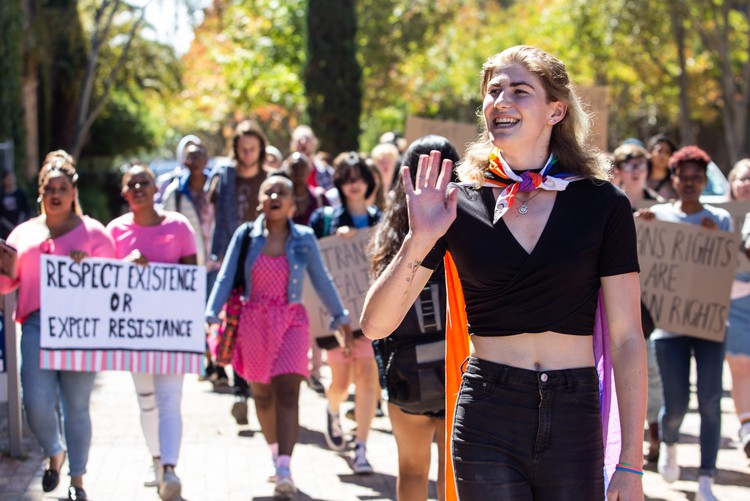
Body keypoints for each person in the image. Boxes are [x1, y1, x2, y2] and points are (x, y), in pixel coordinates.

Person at [360, 45, 646, 501]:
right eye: (493, 91)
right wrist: (420, 238)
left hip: (575, 413)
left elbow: (629, 336)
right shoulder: (458, 203)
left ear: (556, 111)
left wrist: (631, 463)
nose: (502, 101)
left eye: (519, 90)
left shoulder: (603, 203)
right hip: (488, 409)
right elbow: (375, 324)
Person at [205, 175, 351, 499]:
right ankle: (274, 454)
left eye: (281, 192)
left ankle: (285, 467)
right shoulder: (245, 236)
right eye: (268, 191)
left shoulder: (304, 238)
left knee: (287, 393)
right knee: (262, 396)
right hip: (252, 322)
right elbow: (226, 275)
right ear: (260, 200)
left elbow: (322, 279)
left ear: (292, 204)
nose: (274, 196)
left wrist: (340, 317)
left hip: (292, 322)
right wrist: (210, 315)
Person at [0, 153, 116, 501]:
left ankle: (77, 480)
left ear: (73, 192)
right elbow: (8, 286)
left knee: (77, 407)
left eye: (62, 188)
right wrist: (4, 270)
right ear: (40, 193)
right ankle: (55, 451)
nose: (55, 194)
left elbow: (114, 284)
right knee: (35, 402)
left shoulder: (94, 233)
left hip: (82, 327)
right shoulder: (23, 233)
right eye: (49, 188)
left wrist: (87, 267)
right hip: (36, 324)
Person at [638, 146, 731, 501]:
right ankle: (671, 441)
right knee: (675, 403)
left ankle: (707, 475)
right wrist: (643, 228)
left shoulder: (720, 219)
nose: (690, 183)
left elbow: (728, 267)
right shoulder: (657, 216)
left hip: (709, 329)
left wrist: (716, 239)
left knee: (709, 400)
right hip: (668, 329)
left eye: (696, 178)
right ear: (673, 180)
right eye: (683, 177)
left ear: (704, 181)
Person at [368, 135, 457, 501]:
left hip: (408, 375)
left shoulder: (388, 237)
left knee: (410, 470)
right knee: (453, 472)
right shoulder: (470, 226)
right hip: (458, 371)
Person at [107, 163, 198, 501]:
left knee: (170, 400)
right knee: (147, 402)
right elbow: (102, 280)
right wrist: (124, 268)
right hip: (134, 333)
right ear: (124, 192)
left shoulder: (179, 226)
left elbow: (191, 278)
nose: (140, 188)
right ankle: (157, 460)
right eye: (132, 184)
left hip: (172, 331)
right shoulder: (114, 231)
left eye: (145, 182)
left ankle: (171, 469)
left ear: (156, 188)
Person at [309, 152, 382, 474]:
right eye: (347, 178)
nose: (354, 184)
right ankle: (334, 408)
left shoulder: (381, 219)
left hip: (372, 316)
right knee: (341, 382)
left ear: (368, 181)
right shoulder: (323, 221)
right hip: (335, 319)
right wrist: (333, 240)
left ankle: (361, 447)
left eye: (359, 177)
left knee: (367, 378)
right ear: (339, 183)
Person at [208, 120, 269, 421]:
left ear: (261, 149)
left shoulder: (270, 178)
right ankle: (240, 387)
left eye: (252, 149)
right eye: (242, 149)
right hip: (234, 253)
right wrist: (217, 254)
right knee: (235, 319)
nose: (247, 154)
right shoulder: (225, 176)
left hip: (263, 255)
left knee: (258, 320)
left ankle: (256, 384)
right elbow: (216, 216)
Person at [612, 142, 665, 465]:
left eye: (641, 165)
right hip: (613, 302)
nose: (636, 170)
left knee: (651, 371)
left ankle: (654, 438)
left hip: (649, 304)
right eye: (629, 164)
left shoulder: (661, 207)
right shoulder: (604, 202)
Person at [725, 158, 750, 458]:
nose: (746, 183)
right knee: (741, 366)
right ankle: (747, 428)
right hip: (732, 305)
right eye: (741, 178)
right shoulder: (717, 216)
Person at [155, 134, 202, 204]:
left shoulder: (209, 181)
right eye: (189, 155)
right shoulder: (167, 181)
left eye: (197, 155)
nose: (193, 160)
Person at [0, 170, 31, 239]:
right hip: (5, 229)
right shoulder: (1, 195)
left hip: (20, 226)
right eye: (8, 179)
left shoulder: (21, 194)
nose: (10, 180)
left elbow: (26, 211)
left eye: (12, 178)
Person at [646, 133, 678, 200]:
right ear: (650, 153)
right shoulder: (640, 180)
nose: (663, 155)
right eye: (659, 151)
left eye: (667, 152)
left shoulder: (676, 183)